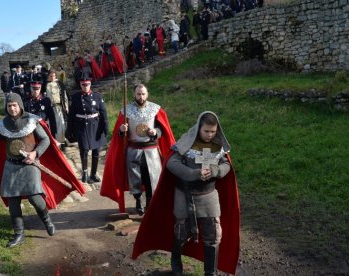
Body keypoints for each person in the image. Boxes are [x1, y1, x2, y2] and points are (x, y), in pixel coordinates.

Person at [132, 111, 240, 276]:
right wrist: (193, 174)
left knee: (213, 236)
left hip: (209, 197)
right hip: (185, 196)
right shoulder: (186, 143)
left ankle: (210, 273)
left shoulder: (218, 146)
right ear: (199, 128)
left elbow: (226, 165)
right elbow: (172, 163)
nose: (210, 135)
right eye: (206, 131)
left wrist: (214, 170)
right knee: (180, 235)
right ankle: (177, 269)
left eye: (213, 131)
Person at [0, 93, 85, 247]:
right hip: (11, 166)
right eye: (9, 106)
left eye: (14, 105)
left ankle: (47, 220)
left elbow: (46, 139)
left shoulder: (31, 120)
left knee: (35, 198)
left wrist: (35, 153)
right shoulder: (2, 124)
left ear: (20, 105)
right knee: (13, 202)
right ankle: (19, 234)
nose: (12, 108)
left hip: (30, 164)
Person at [101, 84, 175, 215]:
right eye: (138, 94)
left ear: (147, 94)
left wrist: (155, 131)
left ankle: (150, 203)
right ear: (134, 95)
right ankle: (138, 201)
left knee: (151, 179)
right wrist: (122, 130)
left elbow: (163, 130)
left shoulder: (156, 109)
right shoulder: (126, 110)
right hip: (133, 150)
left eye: (143, 94)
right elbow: (118, 133)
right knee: (135, 178)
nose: (141, 97)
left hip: (151, 149)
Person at [66, 75, 108, 184]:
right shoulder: (75, 97)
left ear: (90, 84)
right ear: (80, 85)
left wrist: (105, 127)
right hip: (81, 126)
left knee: (96, 151)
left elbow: (103, 113)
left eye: (87, 84)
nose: (85, 87)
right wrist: (69, 129)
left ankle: (93, 174)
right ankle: (85, 172)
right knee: (84, 149)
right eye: (83, 85)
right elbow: (71, 115)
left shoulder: (97, 96)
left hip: (95, 125)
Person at [46, 70, 68, 143]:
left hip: (58, 107)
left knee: (61, 123)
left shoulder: (59, 84)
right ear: (48, 76)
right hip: (50, 108)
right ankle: (55, 141)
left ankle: (62, 140)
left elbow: (64, 96)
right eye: (51, 76)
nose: (52, 77)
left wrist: (66, 107)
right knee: (52, 124)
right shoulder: (46, 85)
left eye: (54, 76)